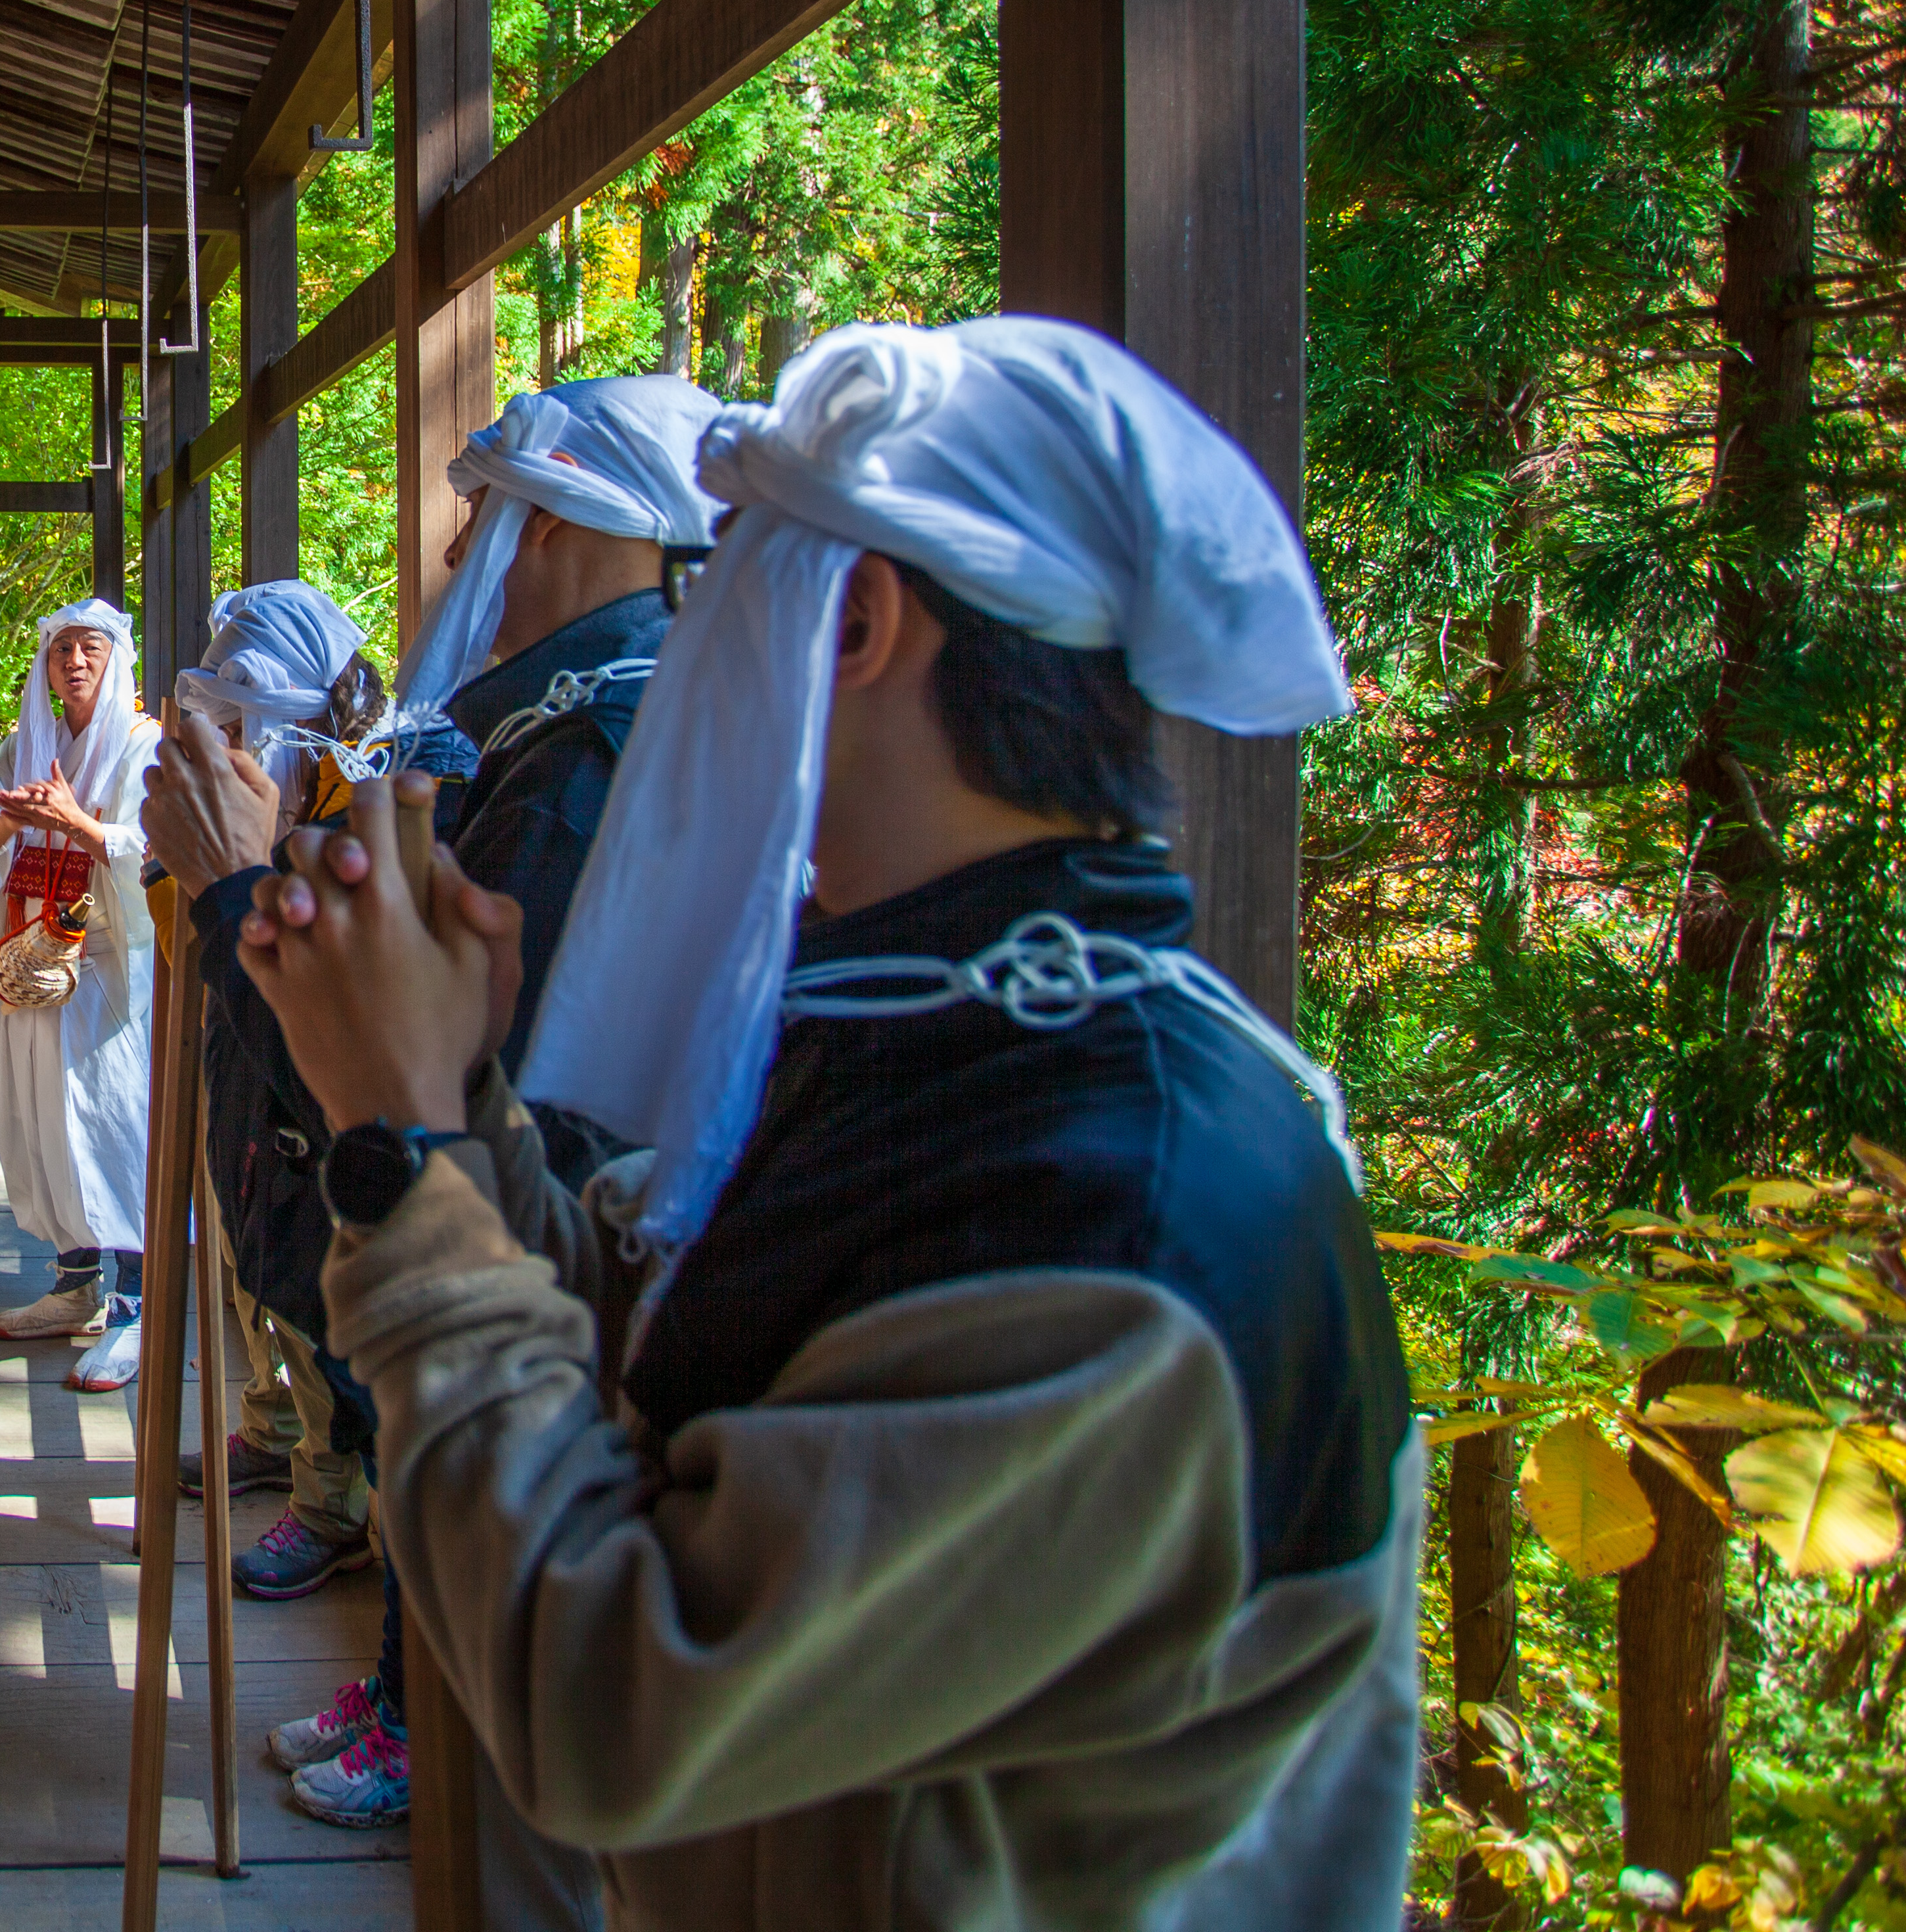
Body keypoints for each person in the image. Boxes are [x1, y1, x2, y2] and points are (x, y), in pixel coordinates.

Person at [237, 319, 1420, 1930]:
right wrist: (456, 1098)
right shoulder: (957, 1023)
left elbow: (610, 1701)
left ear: (852, 619)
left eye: (724, 583)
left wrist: (401, 1134)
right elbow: (680, 1334)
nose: (689, 626)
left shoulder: (1106, 1213)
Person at [143, 375, 719, 1849]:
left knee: (450, 1457)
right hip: (518, 1241)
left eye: (487, 508)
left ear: (571, 518)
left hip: (535, 1259)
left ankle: (439, 1725)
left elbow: (451, 1090)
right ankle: (410, 1688)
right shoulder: (542, 730)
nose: (462, 551)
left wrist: (236, 896)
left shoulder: (588, 751)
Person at [147, 583, 394, 1599]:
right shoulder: (258, 818)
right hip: (237, 1077)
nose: (236, 747)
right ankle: (268, 1430)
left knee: (308, 1300)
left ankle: (328, 1503)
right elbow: (186, 938)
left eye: (251, 725)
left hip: (311, 1108)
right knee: (247, 1274)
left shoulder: (366, 818)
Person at [0, 599, 166, 1392]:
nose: (74, 660)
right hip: (30, 959)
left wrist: (81, 825)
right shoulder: (23, 745)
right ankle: (75, 1285)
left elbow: (155, 846)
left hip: (105, 965)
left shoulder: (145, 746)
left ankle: (139, 1310)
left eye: (90, 648)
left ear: (118, 660)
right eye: (62, 647)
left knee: (113, 1132)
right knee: (37, 1124)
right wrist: (0, 829)